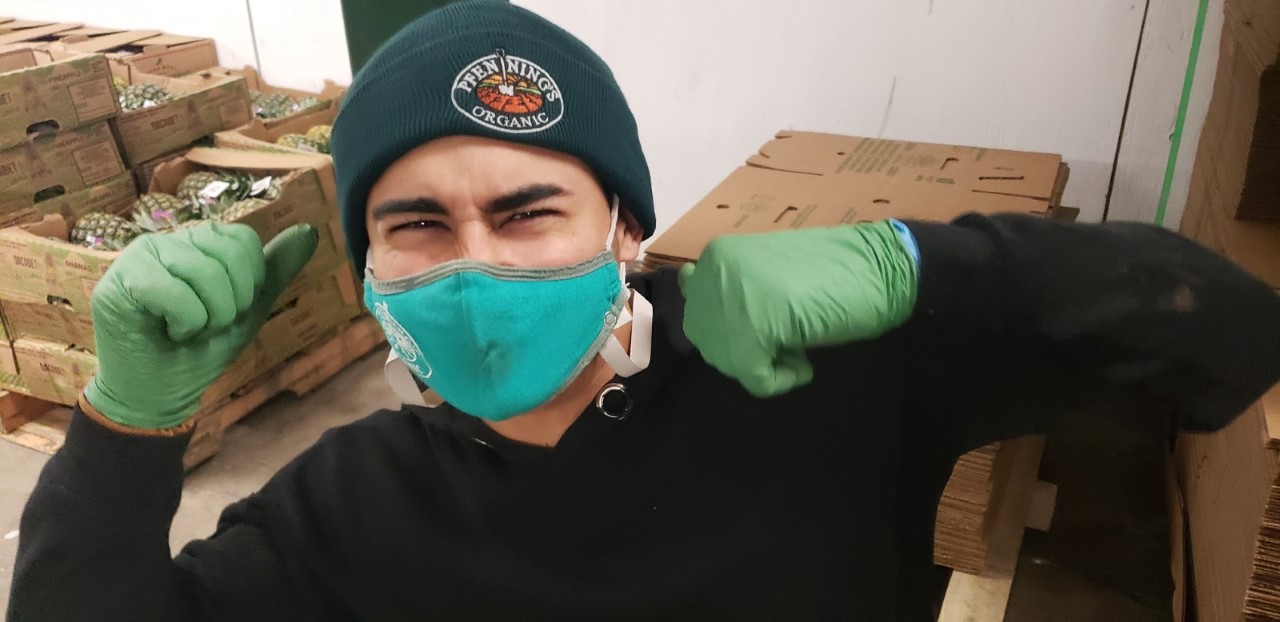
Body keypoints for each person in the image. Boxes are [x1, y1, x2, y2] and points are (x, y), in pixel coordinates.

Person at [9, 1, 1279, 620]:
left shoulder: (818, 382)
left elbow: (1212, 320)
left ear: (623, 227)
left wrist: (919, 269)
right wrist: (122, 431)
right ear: (365, 272)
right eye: (416, 227)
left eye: (525, 213)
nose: (479, 264)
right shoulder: (346, 507)